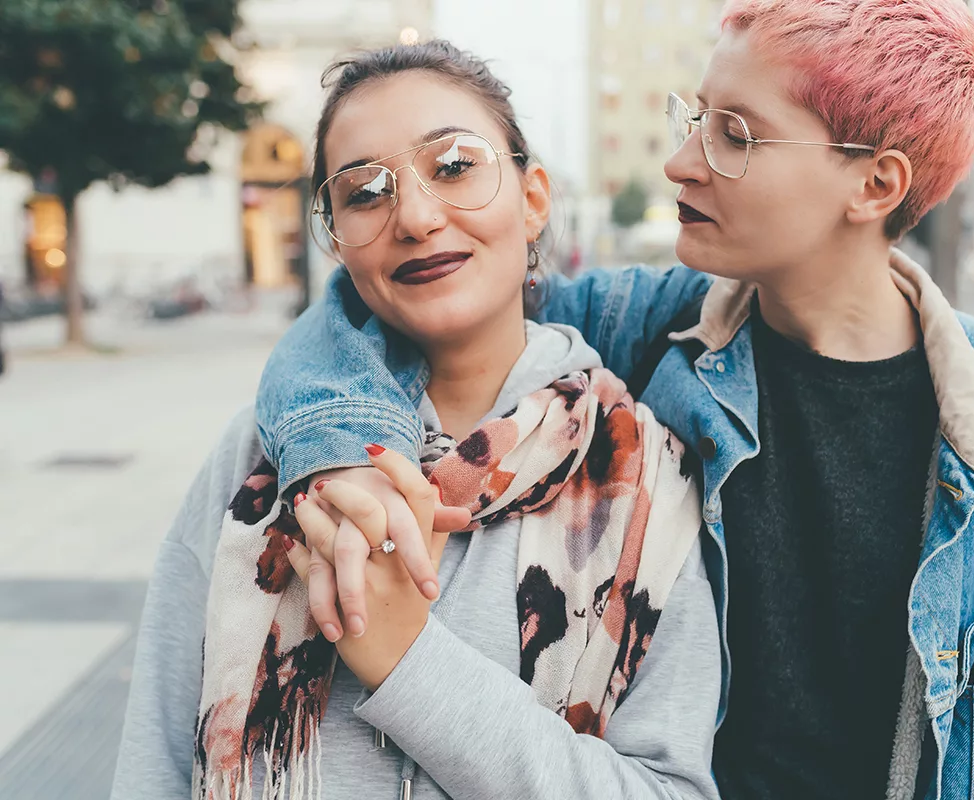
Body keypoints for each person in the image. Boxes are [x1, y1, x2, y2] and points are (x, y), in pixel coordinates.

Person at [251, 1, 974, 798]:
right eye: (694, 117)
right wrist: (341, 451)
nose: (683, 161)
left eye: (735, 135)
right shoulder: (643, 333)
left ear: (874, 183)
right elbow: (375, 300)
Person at [111, 41, 721, 800]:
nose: (416, 217)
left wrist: (410, 662)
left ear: (533, 199)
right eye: (365, 191)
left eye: (456, 166)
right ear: (335, 237)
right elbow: (156, 765)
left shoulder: (642, 474)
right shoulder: (262, 462)